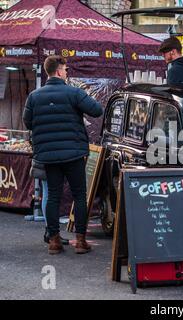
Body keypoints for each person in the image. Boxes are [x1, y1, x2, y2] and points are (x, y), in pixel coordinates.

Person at [23, 56, 103, 255]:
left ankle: (54, 241)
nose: (67, 73)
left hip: (48, 155)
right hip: (74, 154)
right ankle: (81, 240)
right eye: (66, 70)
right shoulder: (74, 92)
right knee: (79, 196)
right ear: (59, 71)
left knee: (53, 197)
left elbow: (27, 123)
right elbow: (97, 110)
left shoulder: (34, 96)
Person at [30, 160, 69, 245]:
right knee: (50, 194)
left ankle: (50, 231)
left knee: (47, 192)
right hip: (51, 160)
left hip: (44, 157)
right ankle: (52, 233)